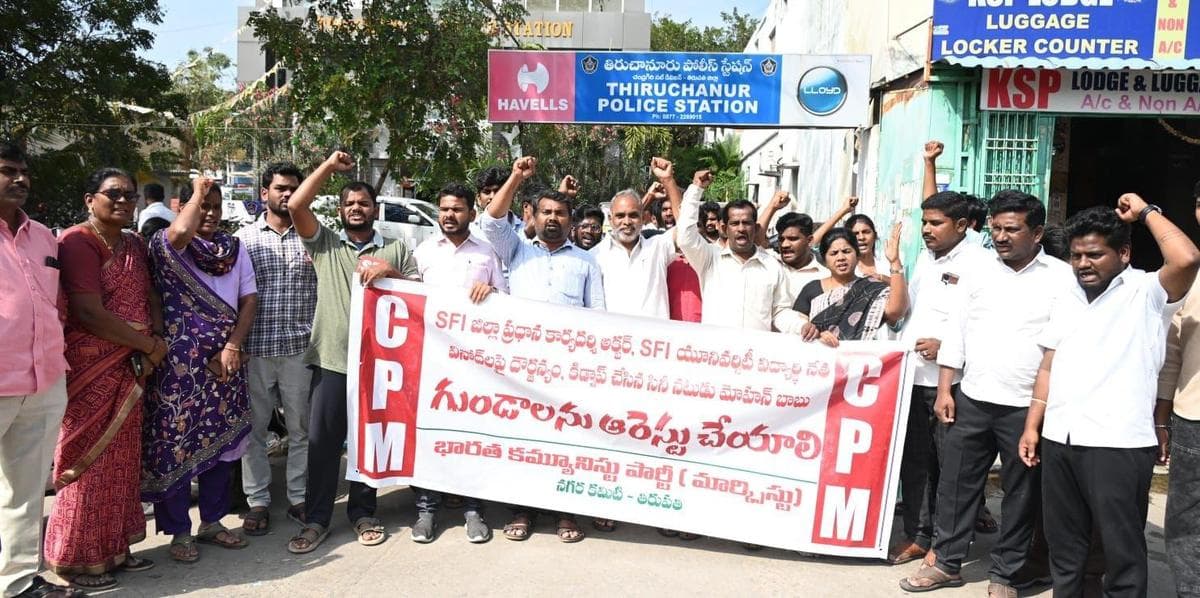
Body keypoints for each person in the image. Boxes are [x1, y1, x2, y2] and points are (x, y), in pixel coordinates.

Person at [1019, 196, 1200, 597]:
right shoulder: (1067, 294)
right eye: (1076, 255)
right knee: (1064, 547)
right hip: (1061, 438)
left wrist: (1147, 212)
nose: (1083, 264)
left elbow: (1186, 258)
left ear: (1123, 252)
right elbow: (1049, 363)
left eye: (1095, 255)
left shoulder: (1148, 292)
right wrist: (1034, 425)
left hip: (1117, 443)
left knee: (1121, 551)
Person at [899, 191, 1074, 594]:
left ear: (1038, 232)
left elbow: (1060, 346)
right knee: (956, 485)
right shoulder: (978, 271)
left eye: (1012, 229)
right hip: (972, 397)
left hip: (1026, 408)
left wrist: (1042, 410)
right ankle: (946, 563)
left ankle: (1005, 574)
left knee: (1020, 494)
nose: (1000, 236)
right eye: (995, 228)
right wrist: (946, 389)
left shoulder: (1060, 277)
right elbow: (956, 333)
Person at [284, 151, 418, 555]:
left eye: (363, 203)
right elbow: (295, 205)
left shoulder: (397, 249)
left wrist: (388, 273)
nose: (356, 209)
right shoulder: (324, 243)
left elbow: (419, 295)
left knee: (368, 443)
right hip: (331, 361)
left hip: (380, 366)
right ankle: (317, 520)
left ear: (375, 209)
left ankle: (363, 513)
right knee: (324, 446)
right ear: (340, 210)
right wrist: (327, 166)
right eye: (349, 204)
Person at [43, 168, 165, 590]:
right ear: (89, 199)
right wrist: (146, 345)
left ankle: (114, 550)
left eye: (130, 195)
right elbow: (88, 312)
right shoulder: (79, 242)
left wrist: (155, 337)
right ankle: (75, 560)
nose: (124, 201)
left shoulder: (133, 243)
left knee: (122, 463)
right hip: (92, 367)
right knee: (86, 464)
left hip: (130, 367)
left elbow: (149, 296)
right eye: (113, 193)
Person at [482, 155, 604, 543]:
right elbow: (490, 221)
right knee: (525, 442)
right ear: (531, 215)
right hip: (522, 369)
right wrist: (517, 176)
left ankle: (565, 512)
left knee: (567, 444)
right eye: (546, 212)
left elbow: (598, 318)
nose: (553, 218)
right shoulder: (516, 250)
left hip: (569, 372)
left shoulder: (587, 262)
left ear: (572, 220)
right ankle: (522, 509)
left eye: (561, 213)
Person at [143, 176, 258, 563]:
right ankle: (179, 532)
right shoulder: (165, 245)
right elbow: (179, 232)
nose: (209, 213)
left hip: (223, 359)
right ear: (183, 205)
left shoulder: (234, 248)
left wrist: (232, 346)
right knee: (176, 444)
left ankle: (212, 522)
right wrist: (197, 191)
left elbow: (248, 300)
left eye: (215, 205)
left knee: (222, 443)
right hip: (177, 364)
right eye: (201, 205)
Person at [890, 187, 992, 565]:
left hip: (952, 385)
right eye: (924, 223)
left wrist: (947, 346)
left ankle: (948, 545)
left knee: (953, 469)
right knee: (915, 463)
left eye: (936, 223)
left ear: (963, 225)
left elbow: (983, 320)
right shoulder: (928, 260)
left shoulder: (981, 264)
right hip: (913, 379)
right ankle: (918, 535)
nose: (927, 230)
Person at [0, 142, 83, 598]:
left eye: (23, 172)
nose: (19, 179)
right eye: (7, 171)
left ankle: (16, 584)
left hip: (45, 379)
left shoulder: (43, 238)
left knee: (24, 492)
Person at [410, 181, 506, 544]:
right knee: (429, 437)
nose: (450, 215)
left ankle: (473, 510)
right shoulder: (422, 252)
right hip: (430, 360)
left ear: (471, 213)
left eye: (457, 209)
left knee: (469, 437)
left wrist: (492, 293)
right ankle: (426, 510)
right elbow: (407, 301)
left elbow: (505, 302)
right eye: (445, 208)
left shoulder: (486, 253)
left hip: (473, 364)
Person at [234, 162, 315, 537]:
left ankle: (299, 497)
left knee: (301, 429)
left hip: (300, 349)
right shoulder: (243, 240)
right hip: (256, 350)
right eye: (281, 188)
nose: (288, 194)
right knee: (254, 430)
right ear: (264, 192)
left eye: (294, 188)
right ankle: (258, 502)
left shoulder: (313, 237)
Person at [676, 169, 806, 333]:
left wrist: (802, 327)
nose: (741, 229)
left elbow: (780, 312)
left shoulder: (773, 266)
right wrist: (696, 189)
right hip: (715, 354)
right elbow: (685, 237)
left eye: (747, 223)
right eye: (735, 223)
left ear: (756, 227)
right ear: (724, 228)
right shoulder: (710, 259)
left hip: (755, 355)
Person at [1158, 182, 1200, 598]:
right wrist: (1161, 417)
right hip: (1194, 417)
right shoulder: (1191, 277)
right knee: (1188, 520)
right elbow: (1172, 351)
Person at [793, 225, 906, 347]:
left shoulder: (871, 288)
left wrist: (895, 262)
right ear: (824, 259)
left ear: (857, 256)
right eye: (834, 253)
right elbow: (795, 327)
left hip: (857, 361)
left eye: (846, 251)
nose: (841, 257)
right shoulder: (812, 289)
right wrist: (816, 335)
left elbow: (895, 312)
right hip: (819, 361)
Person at [756, 191, 829, 297]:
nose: (785, 245)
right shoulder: (771, 263)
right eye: (781, 239)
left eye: (793, 239)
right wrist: (772, 207)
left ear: (809, 241)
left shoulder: (824, 277)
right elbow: (755, 241)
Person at [812, 197, 890, 279]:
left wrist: (882, 278)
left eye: (866, 232)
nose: (861, 237)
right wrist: (843, 210)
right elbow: (812, 243)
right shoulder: (841, 267)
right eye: (856, 233)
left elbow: (902, 289)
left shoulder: (886, 267)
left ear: (875, 236)